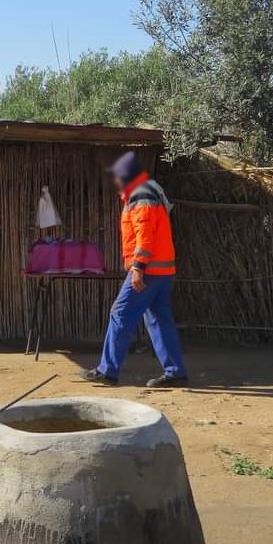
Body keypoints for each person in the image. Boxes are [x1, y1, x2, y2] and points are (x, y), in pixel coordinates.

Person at [81, 151, 188, 388]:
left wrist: (138, 266)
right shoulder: (151, 191)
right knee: (159, 319)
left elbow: (145, 233)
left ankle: (107, 371)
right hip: (163, 270)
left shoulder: (140, 194)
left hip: (148, 270)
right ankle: (175, 372)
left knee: (120, 313)